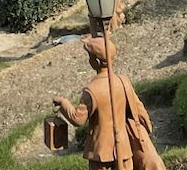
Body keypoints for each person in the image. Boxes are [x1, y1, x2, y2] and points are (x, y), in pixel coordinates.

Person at [52, 37, 165, 170]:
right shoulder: (123, 82)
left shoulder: (92, 89)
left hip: (100, 151)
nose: (89, 60)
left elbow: (78, 119)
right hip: (123, 148)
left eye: (90, 57)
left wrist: (64, 103)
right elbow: (140, 111)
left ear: (97, 61)